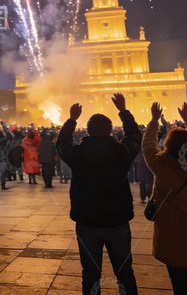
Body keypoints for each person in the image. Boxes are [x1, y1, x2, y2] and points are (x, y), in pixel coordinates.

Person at [56, 94, 142, 295]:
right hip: (117, 220)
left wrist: (71, 120)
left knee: (91, 273)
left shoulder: (78, 154)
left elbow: (61, 144)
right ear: (111, 130)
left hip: (87, 221)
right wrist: (123, 111)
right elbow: (135, 137)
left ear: (87, 130)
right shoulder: (121, 152)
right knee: (124, 272)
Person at [143, 102, 187, 295]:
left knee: (178, 279)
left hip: (171, 230)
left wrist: (153, 121)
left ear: (168, 144)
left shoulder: (161, 165)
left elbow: (148, 145)